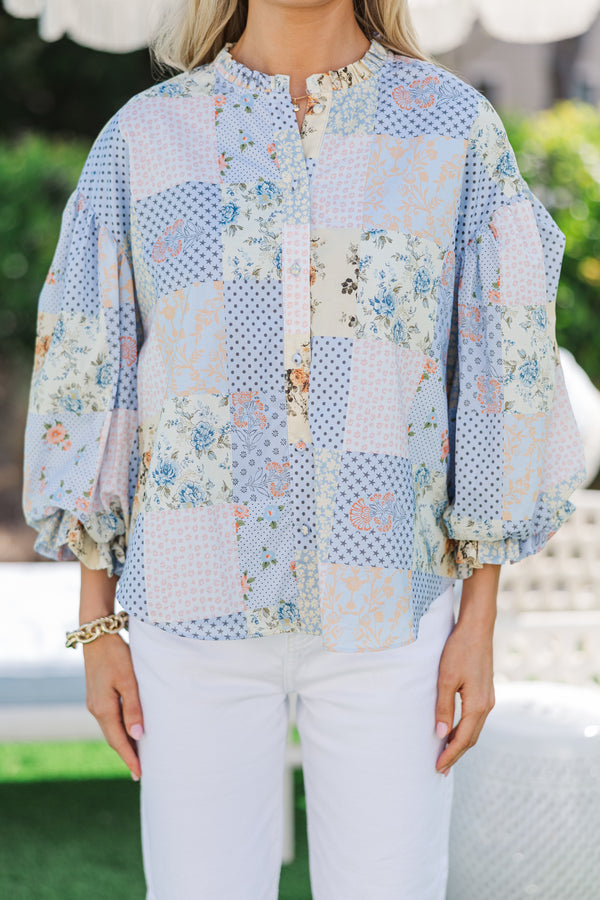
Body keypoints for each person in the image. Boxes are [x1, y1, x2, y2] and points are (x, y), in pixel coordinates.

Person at [21, 0, 587, 897]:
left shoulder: (453, 130)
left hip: (392, 610)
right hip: (189, 605)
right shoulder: (145, 138)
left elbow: (496, 364)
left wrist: (478, 619)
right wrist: (98, 629)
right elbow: (96, 378)